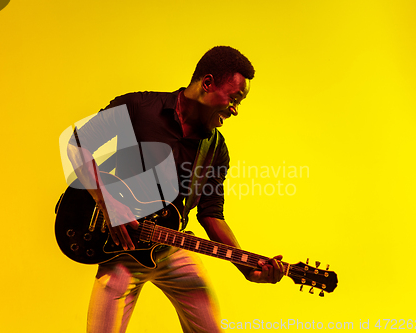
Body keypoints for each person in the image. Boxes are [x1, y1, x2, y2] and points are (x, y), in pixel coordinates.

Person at [67, 46, 284, 333]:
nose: (235, 110)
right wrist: (108, 203)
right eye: (234, 99)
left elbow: (211, 214)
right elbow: (78, 144)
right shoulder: (139, 109)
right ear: (207, 83)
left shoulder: (216, 149)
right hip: (121, 250)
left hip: (172, 248)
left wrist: (246, 266)